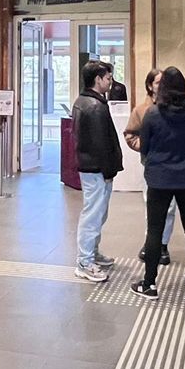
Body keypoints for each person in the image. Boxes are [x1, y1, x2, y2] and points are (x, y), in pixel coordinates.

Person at [131, 67, 185, 302]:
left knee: (155, 231)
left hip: (159, 178)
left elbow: (144, 146)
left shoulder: (153, 114)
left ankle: (149, 284)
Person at [71, 60, 122, 283]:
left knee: (98, 213)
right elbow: (101, 143)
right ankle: (85, 261)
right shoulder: (94, 106)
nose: (110, 82)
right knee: (93, 214)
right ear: (97, 79)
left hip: (93, 167)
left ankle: (92, 251)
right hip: (96, 168)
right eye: (107, 78)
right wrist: (109, 169)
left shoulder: (87, 102)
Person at [126, 69, 175, 265]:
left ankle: (163, 245)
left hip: (173, 165)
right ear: (149, 86)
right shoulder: (141, 110)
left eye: (164, 82)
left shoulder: (175, 108)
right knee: (152, 206)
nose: (161, 86)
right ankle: (151, 243)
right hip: (150, 165)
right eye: (157, 82)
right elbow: (130, 134)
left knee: (170, 207)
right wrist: (145, 148)